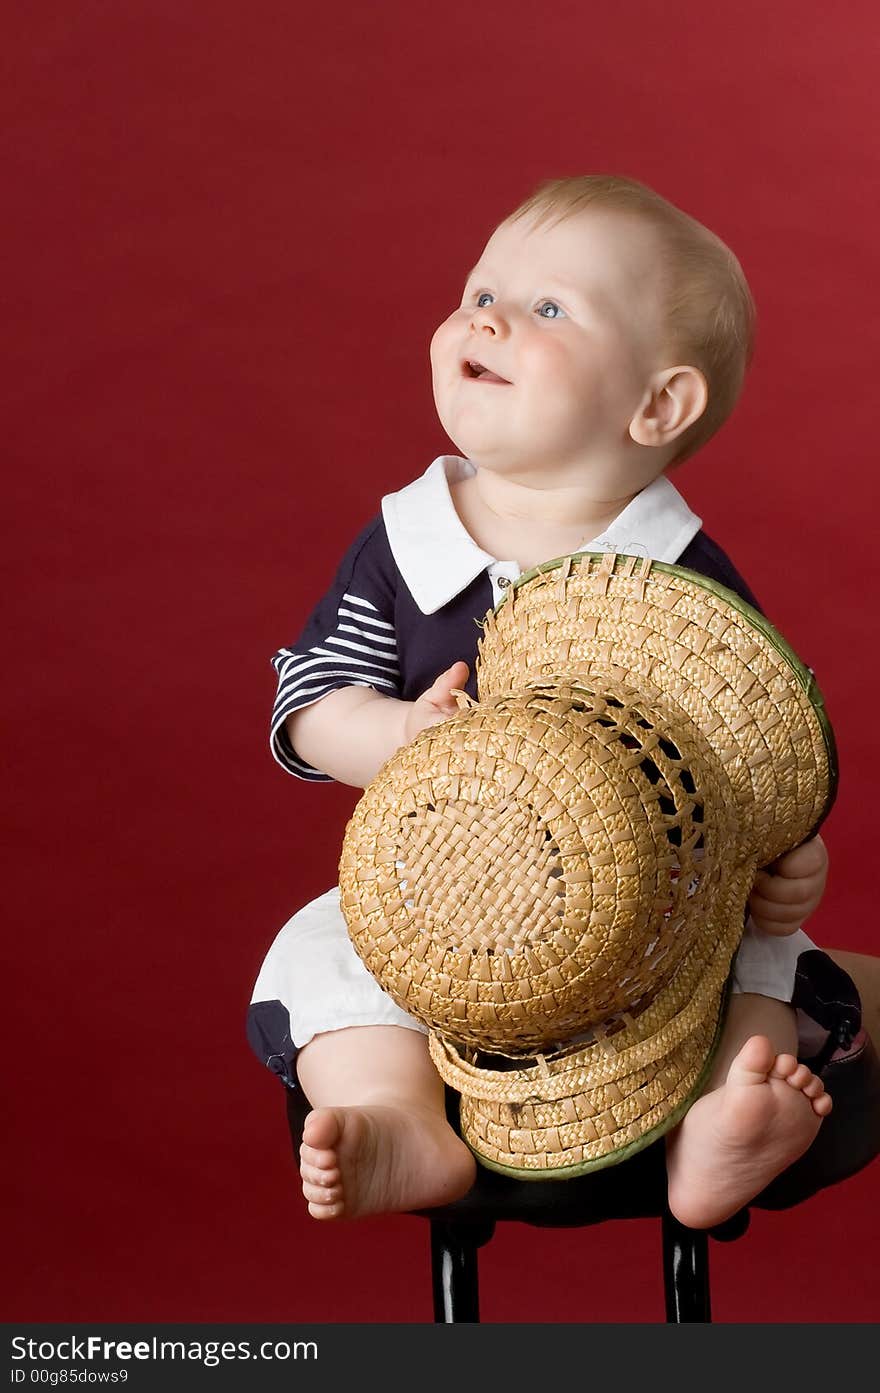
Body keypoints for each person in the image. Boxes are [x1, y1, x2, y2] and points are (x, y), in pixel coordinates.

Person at [249, 174, 841, 1231]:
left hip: (647, 928)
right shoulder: (406, 544)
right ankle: (398, 1118)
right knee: (331, 952)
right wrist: (396, 734)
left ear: (656, 404)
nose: (486, 315)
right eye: (481, 288)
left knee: (768, 964)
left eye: (547, 308)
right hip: (443, 914)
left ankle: (718, 1123)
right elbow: (309, 703)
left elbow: (757, 762)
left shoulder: (678, 585)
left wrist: (784, 864)